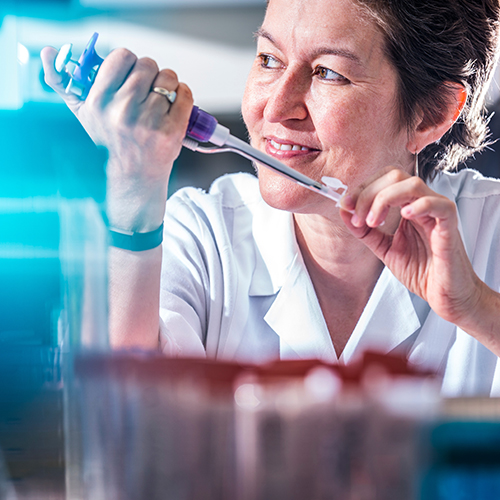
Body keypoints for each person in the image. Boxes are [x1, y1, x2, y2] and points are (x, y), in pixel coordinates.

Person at [41, 0, 500, 397]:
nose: (276, 108)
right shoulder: (204, 236)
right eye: (268, 59)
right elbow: (126, 430)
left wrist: (477, 306)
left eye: (328, 73)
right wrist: (133, 185)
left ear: (432, 114)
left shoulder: (492, 230)